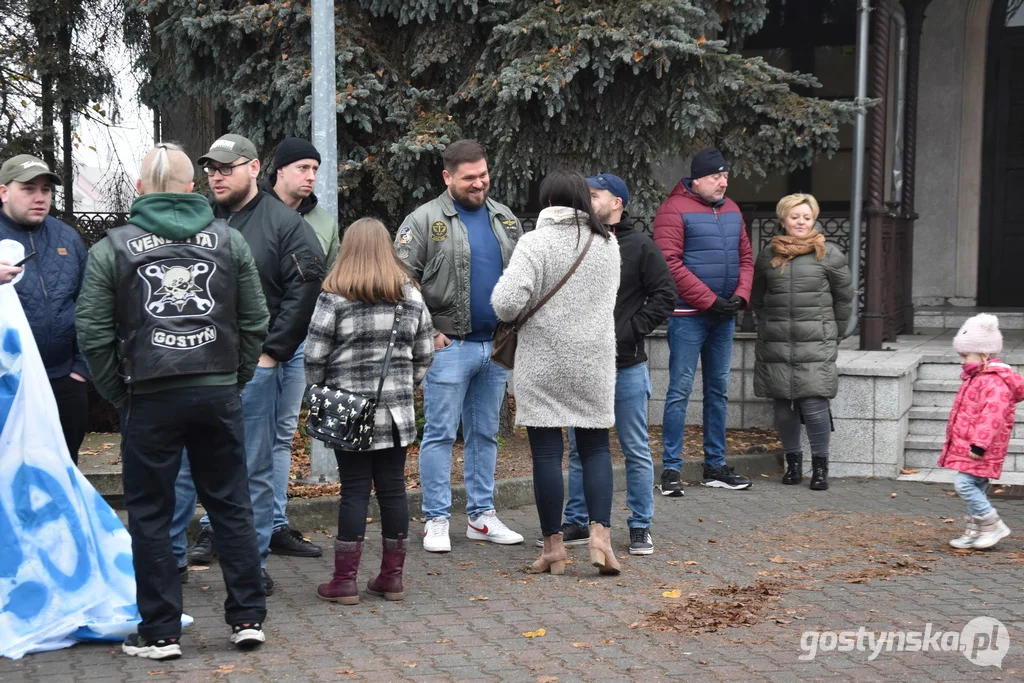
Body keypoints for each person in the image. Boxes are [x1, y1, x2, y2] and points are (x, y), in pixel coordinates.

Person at [75, 143, 270, 659]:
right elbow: (255, 320)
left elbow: (92, 332)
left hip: (149, 395)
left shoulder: (111, 247)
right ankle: (247, 618)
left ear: (140, 190)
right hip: (217, 393)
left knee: (151, 515)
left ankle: (160, 631)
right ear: (192, 188)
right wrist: (235, 378)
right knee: (231, 504)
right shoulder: (229, 242)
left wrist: (120, 393)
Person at [170, 134, 326, 594]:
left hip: (254, 370)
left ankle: (252, 563)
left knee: (252, 467)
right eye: (211, 169)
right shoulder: (197, 218)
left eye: (226, 167)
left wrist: (272, 351)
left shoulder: (285, 223)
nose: (216, 175)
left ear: (254, 168)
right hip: (196, 365)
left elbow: (306, 287)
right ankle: (173, 558)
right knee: (183, 464)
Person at [395, 139, 524, 552]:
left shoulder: (503, 218)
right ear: (448, 177)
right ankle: (436, 518)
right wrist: (428, 331)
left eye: (484, 174)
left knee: (485, 434)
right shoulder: (422, 220)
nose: (479, 183)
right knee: (440, 435)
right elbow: (400, 281)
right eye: (469, 177)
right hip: (450, 348)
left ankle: (481, 517)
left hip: (495, 347)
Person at [492, 169, 621, 576]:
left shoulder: (535, 242)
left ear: (547, 201)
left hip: (544, 361)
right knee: (597, 448)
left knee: (547, 454)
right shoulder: (608, 242)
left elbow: (507, 304)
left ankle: (553, 548)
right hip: (594, 361)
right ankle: (601, 538)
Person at [539, 174, 675, 556]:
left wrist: (630, 331)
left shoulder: (640, 246)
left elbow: (665, 295)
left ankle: (640, 525)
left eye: (595, 195)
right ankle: (578, 520)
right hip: (584, 365)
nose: (587, 200)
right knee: (582, 449)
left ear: (618, 202)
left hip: (626, 365)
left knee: (634, 447)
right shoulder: (583, 242)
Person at [306, 218, 434, 604]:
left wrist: (323, 391)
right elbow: (425, 352)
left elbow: (314, 356)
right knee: (394, 490)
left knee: (354, 492)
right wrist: (403, 388)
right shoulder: (410, 294)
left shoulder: (335, 294)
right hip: (396, 415)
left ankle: (344, 582)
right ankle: (391, 578)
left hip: (348, 412)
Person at [254, 136, 342, 559]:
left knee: (282, 435)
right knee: (242, 435)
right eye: (303, 168)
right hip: (253, 345)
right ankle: (219, 525)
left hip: (300, 344)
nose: (310, 177)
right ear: (279, 170)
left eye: (315, 170)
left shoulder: (323, 221)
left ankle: (273, 525)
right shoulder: (252, 211)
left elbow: (331, 281)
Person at [653, 147, 754, 494]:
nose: (723, 182)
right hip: (688, 317)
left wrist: (740, 296)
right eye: (716, 177)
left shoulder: (732, 210)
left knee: (718, 391)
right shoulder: (673, 209)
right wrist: (710, 301)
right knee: (679, 391)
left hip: (723, 316)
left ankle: (715, 466)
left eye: (726, 176)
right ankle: (671, 470)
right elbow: (670, 264)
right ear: (696, 179)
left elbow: (746, 257)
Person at [750, 193, 853, 491]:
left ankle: (820, 467)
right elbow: (758, 299)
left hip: (816, 342)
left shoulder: (829, 254)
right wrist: (770, 324)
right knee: (783, 403)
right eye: (795, 217)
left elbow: (845, 299)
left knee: (814, 402)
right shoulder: (768, 255)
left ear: (814, 220)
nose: (801, 222)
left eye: (807, 217)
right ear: (783, 219)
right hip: (777, 341)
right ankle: (793, 464)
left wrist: (835, 332)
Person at [0, 154, 90, 463]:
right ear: (3, 192)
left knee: (64, 470)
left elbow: (91, 304)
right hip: (7, 384)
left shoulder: (67, 237)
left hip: (63, 380)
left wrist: (81, 369)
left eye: (46, 190)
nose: (40, 197)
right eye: (28, 189)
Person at [940, 313, 1021, 550]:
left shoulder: (994, 382)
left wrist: (979, 444)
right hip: (973, 446)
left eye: (965, 355)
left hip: (981, 448)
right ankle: (978, 529)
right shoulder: (977, 377)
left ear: (985, 353)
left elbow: (991, 417)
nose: (962, 360)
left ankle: (991, 523)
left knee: (964, 485)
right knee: (976, 487)